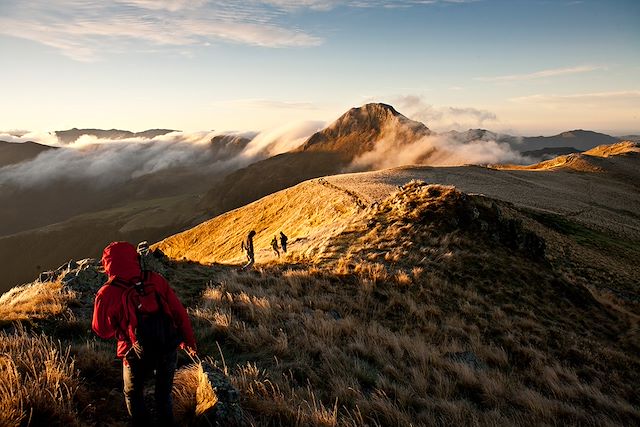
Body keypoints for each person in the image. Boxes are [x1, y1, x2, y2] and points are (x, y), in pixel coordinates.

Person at [92, 241, 197, 427]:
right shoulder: (155, 279)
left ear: (107, 264)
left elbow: (102, 330)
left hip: (134, 353)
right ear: (135, 258)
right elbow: (178, 312)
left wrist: (120, 327)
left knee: (133, 394)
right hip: (167, 345)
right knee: (163, 395)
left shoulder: (106, 293)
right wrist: (187, 342)